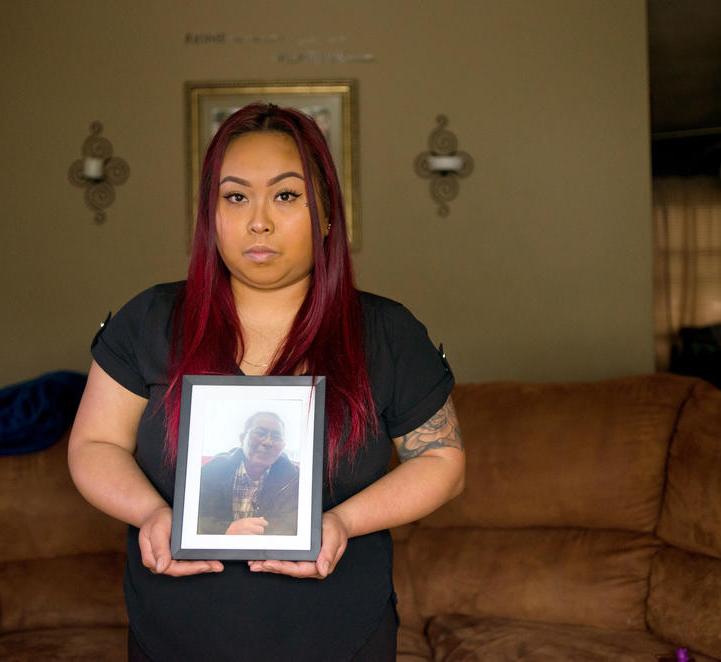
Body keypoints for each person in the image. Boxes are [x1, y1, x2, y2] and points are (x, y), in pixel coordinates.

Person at [68, 103, 465, 662]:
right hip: (174, 635)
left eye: (286, 195)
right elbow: (94, 444)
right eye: (235, 196)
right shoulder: (150, 320)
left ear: (326, 213)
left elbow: (442, 461)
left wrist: (342, 522)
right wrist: (152, 514)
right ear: (211, 214)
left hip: (341, 634)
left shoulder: (386, 331)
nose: (259, 221)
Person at [197, 411, 299, 536]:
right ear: (242, 438)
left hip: (267, 553)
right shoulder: (212, 471)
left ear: (283, 445)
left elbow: (292, 523)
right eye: (260, 433)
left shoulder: (293, 479)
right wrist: (225, 530)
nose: (268, 442)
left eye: (276, 437)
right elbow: (196, 518)